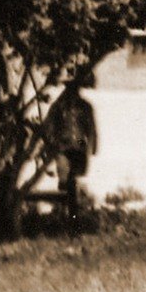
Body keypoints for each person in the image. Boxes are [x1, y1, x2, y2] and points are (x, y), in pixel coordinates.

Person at [45, 82, 100, 219]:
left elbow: (91, 129)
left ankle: (72, 214)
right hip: (63, 145)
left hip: (79, 145)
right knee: (65, 179)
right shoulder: (58, 106)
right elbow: (49, 127)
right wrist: (52, 145)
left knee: (73, 179)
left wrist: (91, 147)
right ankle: (65, 212)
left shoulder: (85, 106)